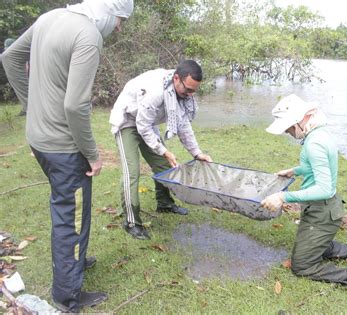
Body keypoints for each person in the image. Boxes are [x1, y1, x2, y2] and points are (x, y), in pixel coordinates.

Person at [1, 0, 134, 312]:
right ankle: (67, 296)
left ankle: (75, 262)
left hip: (38, 140)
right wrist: (93, 155)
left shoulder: (50, 17)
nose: (119, 28)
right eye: (120, 20)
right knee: (70, 218)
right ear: (109, 11)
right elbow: (75, 106)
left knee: (69, 207)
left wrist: (32, 106)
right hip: (63, 148)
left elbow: (10, 57)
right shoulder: (88, 35)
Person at [261, 94, 347, 300]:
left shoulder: (314, 143)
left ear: (300, 120)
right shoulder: (318, 134)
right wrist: (295, 171)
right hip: (322, 211)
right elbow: (315, 166)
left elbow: (324, 189)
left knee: (302, 265)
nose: (287, 132)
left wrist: (283, 197)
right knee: (314, 246)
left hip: (322, 212)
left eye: (288, 127)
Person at [109, 60, 212, 240]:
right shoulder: (155, 92)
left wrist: (197, 153)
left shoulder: (180, 93)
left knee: (164, 167)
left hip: (147, 122)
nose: (190, 95)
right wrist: (163, 149)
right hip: (128, 120)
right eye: (188, 89)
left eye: (194, 91)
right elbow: (142, 126)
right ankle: (131, 222)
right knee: (131, 173)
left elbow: (183, 124)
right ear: (176, 78)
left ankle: (164, 203)